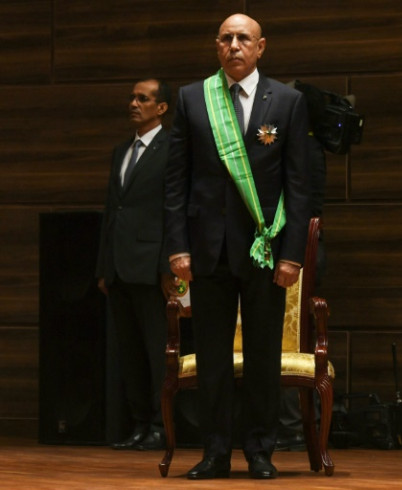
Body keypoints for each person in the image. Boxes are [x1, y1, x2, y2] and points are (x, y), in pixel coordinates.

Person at [164, 13, 311, 480]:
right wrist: (177, 248)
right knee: (212, 358)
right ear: (216, 46)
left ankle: (261, 451)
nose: (234, 46)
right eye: (226, 39)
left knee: (264, 356)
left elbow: (299, 185)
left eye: (243, 38)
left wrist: (292, 254)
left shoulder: (287, 102)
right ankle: (215, 452)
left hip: (264, 250)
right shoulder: (192, 98)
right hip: (206, 249)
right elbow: (175, 183)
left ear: (261, 46)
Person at [96, 78, 172, 451]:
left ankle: (161, 425)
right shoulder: (121, 150)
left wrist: (166, 266)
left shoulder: (172, 149)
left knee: (157, 351)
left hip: (151, 265)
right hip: (119, 266)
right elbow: (113, 211)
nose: (133, 103)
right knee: (130, 352)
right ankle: (140, 423)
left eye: (143, 99)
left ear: (161, 108)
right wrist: (102, 267)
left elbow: (173, 212)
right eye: (132, 97)